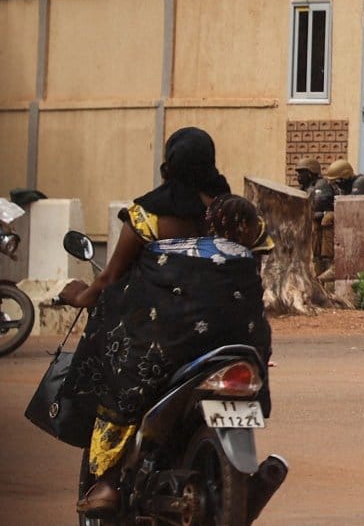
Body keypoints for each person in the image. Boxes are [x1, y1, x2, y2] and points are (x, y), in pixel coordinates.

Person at [58, 127, 273, 517]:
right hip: (239, 338)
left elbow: (109, 281)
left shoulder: (149, 214)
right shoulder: (237, 215)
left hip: (165, 343)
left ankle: (105, 482)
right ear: (211, 163)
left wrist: (77, 295)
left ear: (169, 164)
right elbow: (249, 270)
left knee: (119, 376)